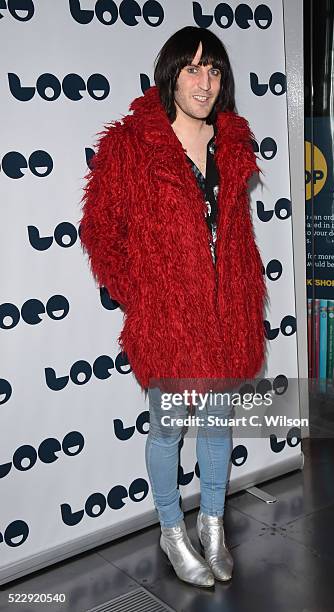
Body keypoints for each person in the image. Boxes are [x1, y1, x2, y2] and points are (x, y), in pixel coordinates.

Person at [79, 26, 267, 588]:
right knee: (167, 430)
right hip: (169, 321)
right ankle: (170, 529)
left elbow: (234, 231)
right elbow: (99, 228)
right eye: (193, 69)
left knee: (215, 426)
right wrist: (144, 293)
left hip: (225, 312)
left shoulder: (232, 141)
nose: (204, 83)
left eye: (214, 71)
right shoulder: (133, 144)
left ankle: (213, 526)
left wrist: (238, 288)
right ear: (171, 73)